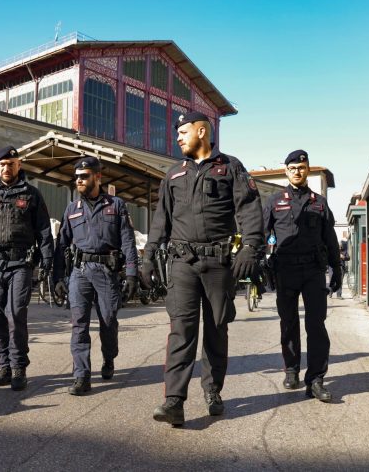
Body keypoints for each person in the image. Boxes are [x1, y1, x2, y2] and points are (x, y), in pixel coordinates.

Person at [140, 112, 265, 426]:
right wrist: (148, 257)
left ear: (201, 131)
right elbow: (161, 220)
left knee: (216, 328)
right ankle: (174, 401)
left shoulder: (231, 168)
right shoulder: (173, 174)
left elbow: (249, 209)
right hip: (182, 262)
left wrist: (250, 247)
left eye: (183, 132)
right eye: (177, 133)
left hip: (218, 263)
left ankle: (213, 390)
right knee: (181, 329)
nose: (178, 138)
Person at [52, 156, 139, 396]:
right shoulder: (72, 209)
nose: (78, 180)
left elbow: (128, 242)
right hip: (80, 273)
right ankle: (82, 376)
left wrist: (131, 273)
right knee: (79, 324)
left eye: (84, 176)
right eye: (77, 176)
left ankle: (109, 358)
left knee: (108, 322)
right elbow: (61, 246)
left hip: (106, 272)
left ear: (97, 177)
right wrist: (57, 278)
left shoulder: (116, 205)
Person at [0, 146, 54, 391]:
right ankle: (4, 366)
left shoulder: (32, 194)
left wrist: (47, 262)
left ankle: (19, 368)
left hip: (21, 263)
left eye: (11, 163)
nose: (7, 168)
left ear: (19, 166)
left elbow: (44, 230)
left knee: (15, 314)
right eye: (2, 164)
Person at [263, 150, 340, 403]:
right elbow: (261, 235)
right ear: (286, 171)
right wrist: (258, 265)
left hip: (313, 271)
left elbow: (330, 237)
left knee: (316, 325)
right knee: (289, 322)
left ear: (308, 170)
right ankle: (291, 370)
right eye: (293, 167)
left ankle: (316, 379)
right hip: (285, 270)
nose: (297, 171)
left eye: (301, 167)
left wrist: (336, 268)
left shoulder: (319, 202)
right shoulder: (274, 202)